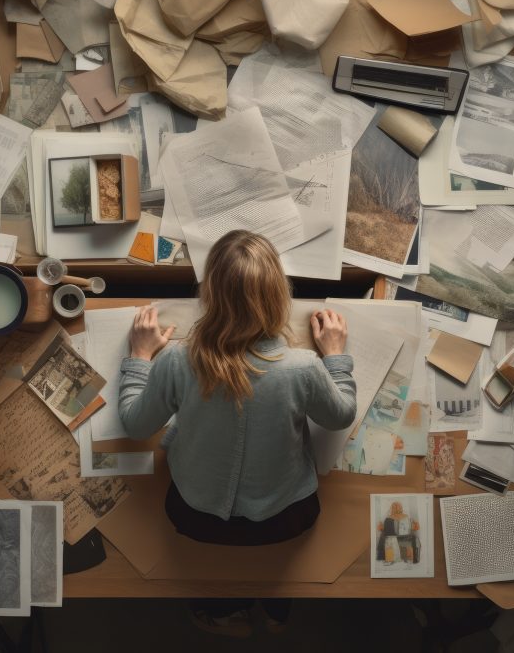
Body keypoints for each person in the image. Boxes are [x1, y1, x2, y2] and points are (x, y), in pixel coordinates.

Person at [118, 230, 357, 637]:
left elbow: (135, 424)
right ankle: (277, 610)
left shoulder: (178, 361)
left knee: (216, 564)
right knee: (281, 564)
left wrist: (139, 358)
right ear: (280, 296)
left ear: (207, 296)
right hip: (288, 517)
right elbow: (341, 416)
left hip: (196, 517)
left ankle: (223, 610)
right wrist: (335, 357)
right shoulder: (302, 366)